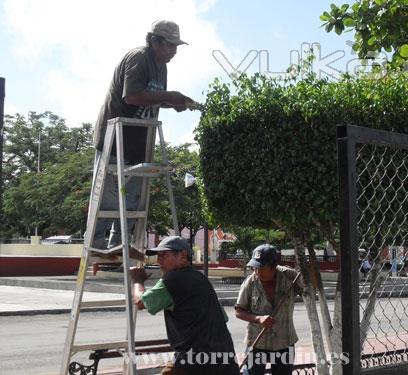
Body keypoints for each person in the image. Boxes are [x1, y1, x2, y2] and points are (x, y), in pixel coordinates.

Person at [92, 20, 195, 250]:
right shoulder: (139, 58)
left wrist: (172, 102)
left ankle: (119, 246)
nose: (174, 51)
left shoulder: (161, 66)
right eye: (170, 45)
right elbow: (132, 97)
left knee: (132, 200)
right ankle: (99, 247)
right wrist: (171, 95)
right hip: (115, 140)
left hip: (139, 143)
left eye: (176, 46)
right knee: (107, 199)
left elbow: (153, 97)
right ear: (154, 41)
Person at [130, 236, 240, 375]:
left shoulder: (172, 279)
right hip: (224, 356)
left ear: (183, 256)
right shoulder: (201, 279)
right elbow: (222, 317)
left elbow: (141, 302)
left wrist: (137, 280)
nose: (159, 260)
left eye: (164, 255)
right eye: (158, 256)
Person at [235, 244, 303, 375]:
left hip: (284, 341)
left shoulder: (290, 276)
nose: (257, 271)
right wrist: (258, 319)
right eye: (255, 267)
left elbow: (310, 290)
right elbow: (239, 311)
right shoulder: (250, 283)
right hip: (257, 343)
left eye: (262, 267)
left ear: (273, 266)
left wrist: (309, 274)